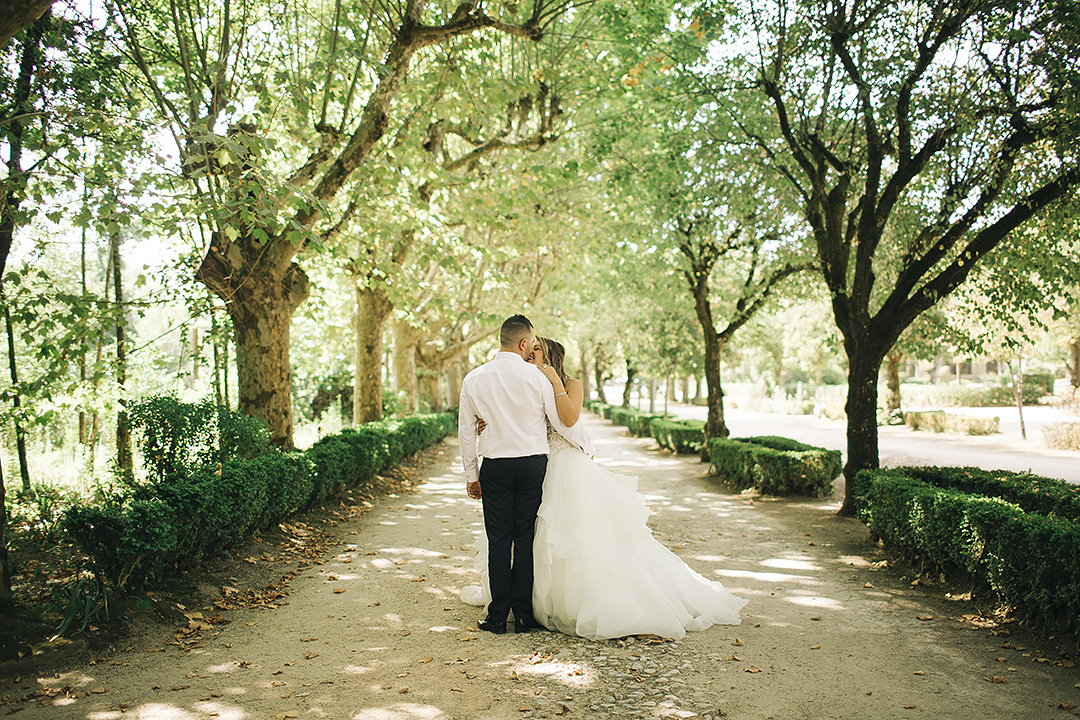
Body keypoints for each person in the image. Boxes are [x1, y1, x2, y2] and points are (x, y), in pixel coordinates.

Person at [462, 336, 747, 640]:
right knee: (530, 538)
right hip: (537, 466)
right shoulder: (529, 380)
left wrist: (583, 441)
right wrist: (486, 421)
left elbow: (566, 423)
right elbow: (512, 412)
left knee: (554, 537)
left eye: (536, 353)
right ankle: (522, 610)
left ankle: (526, 611)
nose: (530, 358)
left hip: (558, 463)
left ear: (551, 356)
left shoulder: (559, 382)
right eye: (529, 352)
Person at [457, 316, 594, 635]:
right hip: (533, 464)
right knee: (525, 537)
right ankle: (523, 616)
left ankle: (496, 618)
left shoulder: (474, 378)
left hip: (496, 466)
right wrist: (585, 446)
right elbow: (560, 424)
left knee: (499, 539)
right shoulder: (538, 378)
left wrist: (471, 475)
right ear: (523, 343)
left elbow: (466, 431)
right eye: (532, 344)